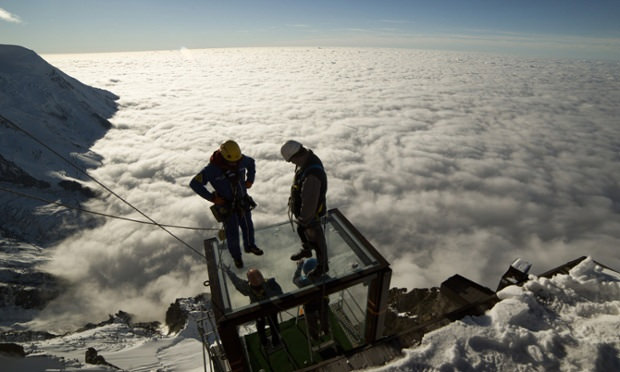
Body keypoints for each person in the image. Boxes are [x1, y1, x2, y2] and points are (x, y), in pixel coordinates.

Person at [190, 140, 263, 268]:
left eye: (237, 160)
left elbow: (251, 163)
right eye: (232, 161)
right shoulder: (212, 169)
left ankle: (250, 246)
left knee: (247, 226)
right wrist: (212, 198)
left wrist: (250, 180)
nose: (235, 163)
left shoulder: (241, 159)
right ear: (224, 156)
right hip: (226, 206)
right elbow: (194, 183)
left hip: (242, 201)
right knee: (232, 233)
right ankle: (237, 257)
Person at [280, 140, 328, 276]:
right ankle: (306, 249)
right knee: (304, 232)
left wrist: (303, 219)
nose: (293, 164)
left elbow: (310, 200)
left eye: (292, 161)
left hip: (311, 216)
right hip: (306, 213)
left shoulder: (312, 174)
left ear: (296, 156)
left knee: (317, 240)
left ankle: (322, 266)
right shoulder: (308, 161)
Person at [226, 267, 283, 348]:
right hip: (258, 311)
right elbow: (237, 282)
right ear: (249, 280)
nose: (256, 279)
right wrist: (228, 272)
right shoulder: (249, 287)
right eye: (253, 278)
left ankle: (276, 341)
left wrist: (271, 296)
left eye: (257, 276)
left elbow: (280, 294)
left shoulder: (270, 283)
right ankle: (265, 343)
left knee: (273, 323)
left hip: (271, 308)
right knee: (260, 326)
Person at [293, 258, 331, 342]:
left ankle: (314, 335)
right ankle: (325, 328)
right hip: (322, 303)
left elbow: (295, 279)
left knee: (310, 316)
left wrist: (299, 266)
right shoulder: (325, 277)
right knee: (323, 308)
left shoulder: (302, 282)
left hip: (309, 306)